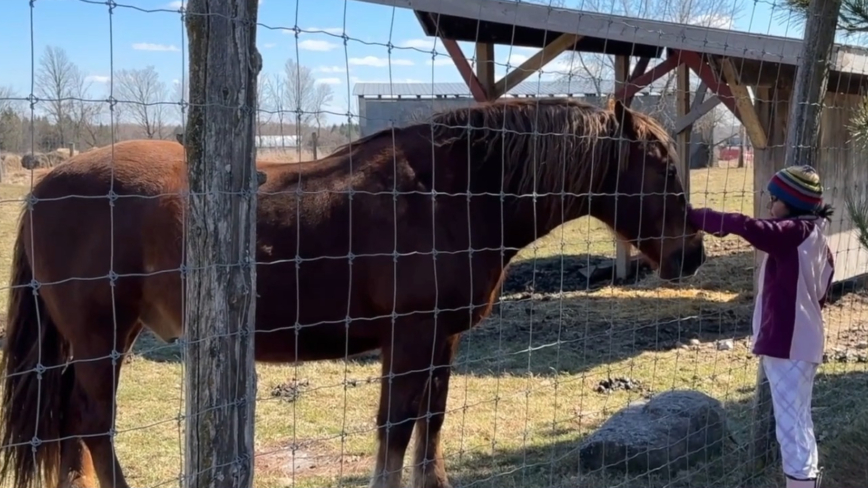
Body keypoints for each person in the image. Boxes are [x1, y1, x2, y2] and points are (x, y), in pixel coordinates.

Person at [687, 165, 835, 488]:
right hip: (807, 342)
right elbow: (824, 289)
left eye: (774, 199)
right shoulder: (818, 236)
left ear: (792, 203)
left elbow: (746, 226)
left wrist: (694, 216)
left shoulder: (791, 233)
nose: (770, 206)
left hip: (786, 343)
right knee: (800, 420)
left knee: (788, 428)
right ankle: (808, 482)